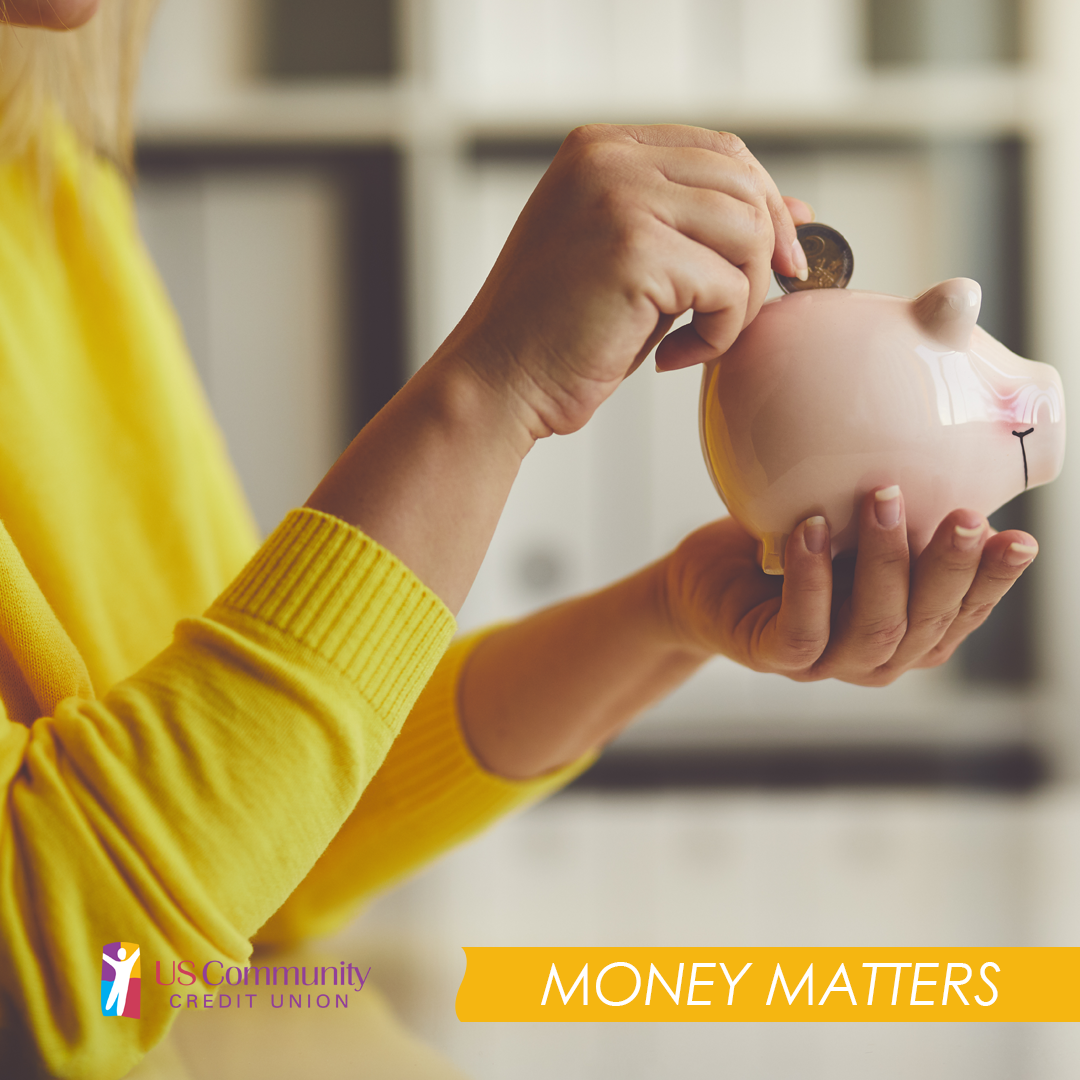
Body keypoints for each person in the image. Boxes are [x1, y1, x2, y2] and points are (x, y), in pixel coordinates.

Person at [0, 2, 1039, 1078]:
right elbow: (45, 971)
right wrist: (492, 391)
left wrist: (672, 610)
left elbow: (249, 852)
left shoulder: (48, 192)